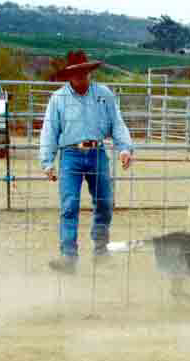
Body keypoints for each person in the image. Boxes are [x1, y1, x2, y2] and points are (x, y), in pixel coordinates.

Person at [39, 50, 133, 274]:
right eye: (76, 73)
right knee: (69, 206)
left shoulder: (104, 95)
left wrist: (124, 148)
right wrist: (47, 161)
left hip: (97, 152)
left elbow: (117, 123)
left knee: (105, 203)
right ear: (69, 75)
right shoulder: (58, 99)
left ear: (89, 72)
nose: (81, 77)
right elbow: (49, 131)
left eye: (84, 72)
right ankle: (68, 256)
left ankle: (101, 250)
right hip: (70, 155)